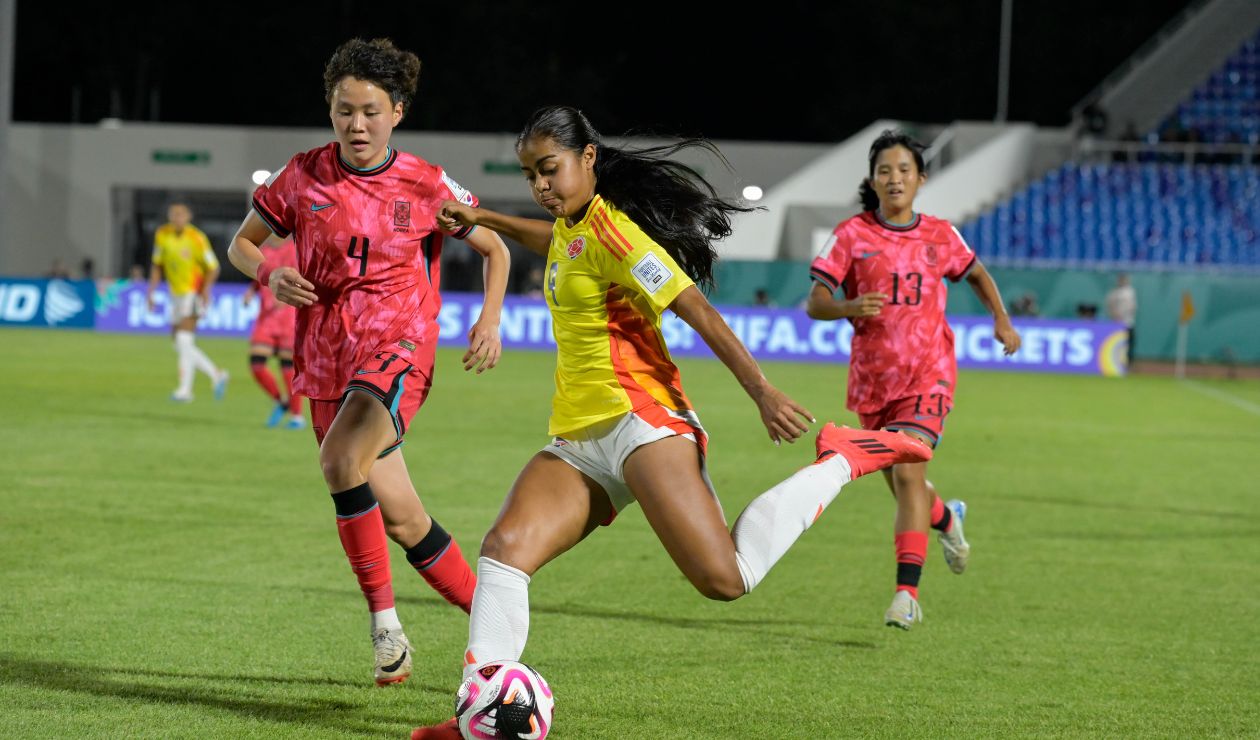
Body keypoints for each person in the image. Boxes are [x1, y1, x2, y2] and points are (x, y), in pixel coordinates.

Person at [411, 106, 931, 739]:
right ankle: (483, 715)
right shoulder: (573, 229)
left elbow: (696, 309)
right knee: (503, 555)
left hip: (641, 424)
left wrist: (761, 391)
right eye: (529, 176)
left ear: (589, 159)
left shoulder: (618, 236)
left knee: (725, 579)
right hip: (579, 439)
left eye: (549, 170)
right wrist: (486, 217)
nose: (540, 186)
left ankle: (843, 458)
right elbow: (556, 243)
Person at [225, 37, 511, 687]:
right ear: (330, 111)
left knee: (336, 461)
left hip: (399, 343)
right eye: (344, 110)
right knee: (406, 519)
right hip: (325, 354)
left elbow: (495, 248)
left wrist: (488, 320)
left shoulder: (426, 182)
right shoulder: (301, 176)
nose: (357, 124)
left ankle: (386, 630)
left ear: (398, 112)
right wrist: (270, 272)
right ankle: (500, 635)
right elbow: (244, 244)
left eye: (371, 111)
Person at [805, 130, 1022, 630]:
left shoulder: (941, 235)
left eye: (904, 169)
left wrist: (1002, 319)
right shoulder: (852, 235)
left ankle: (906, 595)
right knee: (908, 486)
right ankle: (948, 519)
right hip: (873, 383)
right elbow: (815, 301)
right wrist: (849, 306)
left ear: (920, 179)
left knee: (907, 476)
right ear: (872, 180)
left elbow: (977, 273)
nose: (895, 178)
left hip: (929, 374)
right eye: (885, 170)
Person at [147, 201, 229, 403]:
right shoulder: (162, 234)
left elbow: (213, 267)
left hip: (192, 292)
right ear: (169, 216)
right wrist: (151, 291)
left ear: (188, 217)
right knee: (179, 343)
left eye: (181, 214)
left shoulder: (196, 238)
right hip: (174, 294)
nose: (177, 218)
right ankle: (216, 374)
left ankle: (185, 391)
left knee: (183, 340)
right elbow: (157, 264)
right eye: (174, 214)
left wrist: (206, 290)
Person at [242, 236, 304, 429]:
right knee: (256, 364)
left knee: (288, 368)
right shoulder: (262, 249)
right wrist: (251, 292)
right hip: (266, 317)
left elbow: (303, 276)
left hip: (288, 315)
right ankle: (280, 400)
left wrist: (289, 292)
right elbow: (259, 274)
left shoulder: (294, 249)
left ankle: (297, 416)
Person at [1105, 273, 1137, 365]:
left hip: (1127, 322)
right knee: (1116, 343)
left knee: (1128, 343)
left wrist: (1121, 314)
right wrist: (1114, 314)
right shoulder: (1115, 292)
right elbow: (1109, 304)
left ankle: (1127, 363)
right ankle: (1117, 362)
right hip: (1116, 322)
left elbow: (1132, 307)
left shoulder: (1130, 292)